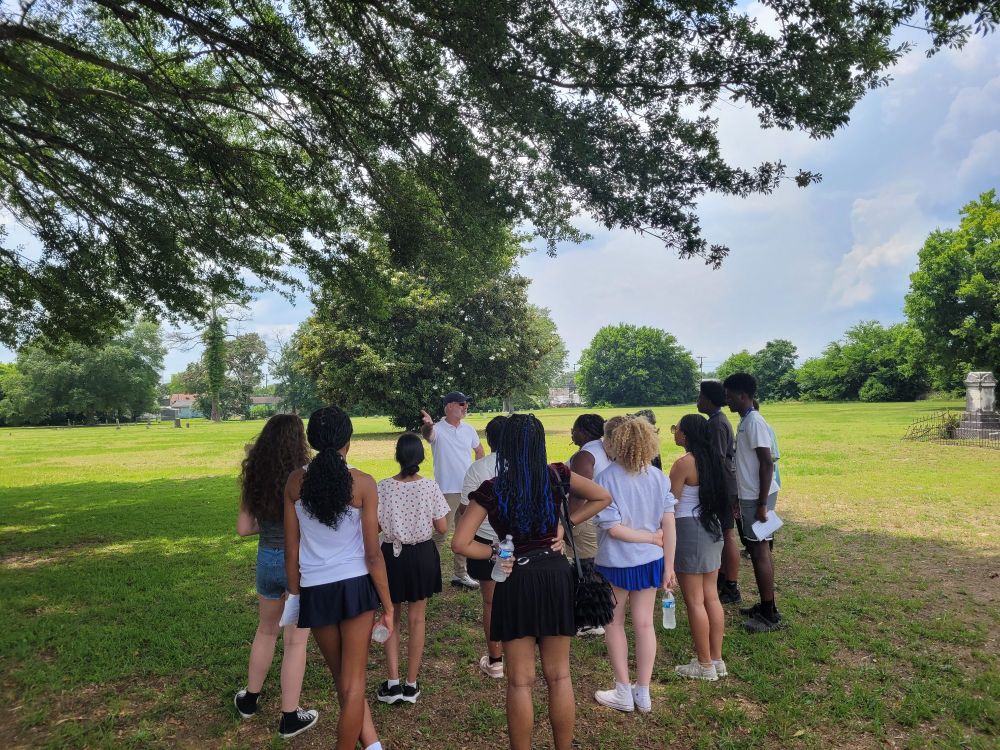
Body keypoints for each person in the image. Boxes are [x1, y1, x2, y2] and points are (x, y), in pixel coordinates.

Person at [452, 414, 613, 750]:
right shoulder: (557, 475)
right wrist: (564, 525)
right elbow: (602, 497)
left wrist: (495, 552)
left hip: (516, 578)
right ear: (540, 444)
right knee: (560, 675)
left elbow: (460, 543)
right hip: (555, 575)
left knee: (520, 682)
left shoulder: (492, 489)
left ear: (506, 446)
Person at [282, 406, 394, 750]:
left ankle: (372, 745)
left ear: (312, 440)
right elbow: (373, 555)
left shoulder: (294, 482)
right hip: (355, 586)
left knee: (342, 678)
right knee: (353, 683)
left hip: (315, 589)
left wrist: (296, 595)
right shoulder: (363, 482)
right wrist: (388, 606)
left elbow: (291, 550)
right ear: (349, 439)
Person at [234, 414, 318, 739]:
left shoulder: (254, 474)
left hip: (267, 559)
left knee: (266, 630)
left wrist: (267, 528)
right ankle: (289, 716)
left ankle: (250, 699)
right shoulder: (305, 477)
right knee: (295, 641)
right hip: (298, 563)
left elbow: (244, 528)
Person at [591, 415, 677, 713]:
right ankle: (643, 692)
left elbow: (614, 529)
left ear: (615, 443)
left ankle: (623, 691)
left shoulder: (606, 478)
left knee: (613, 623)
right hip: (651, 561)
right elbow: (669, 524)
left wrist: (652, 540)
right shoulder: (658, 477)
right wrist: (668, 565)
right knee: (644, 624)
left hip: (616, 562)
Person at [374, 433, 450, 705]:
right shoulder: (430, 486)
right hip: (422, 555)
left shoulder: (383, 487)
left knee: (390, 616)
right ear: (420, 457)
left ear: (397, 456)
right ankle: (411, 683)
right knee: (417, 620)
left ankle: (393, 683)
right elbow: (442, 527)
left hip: (391, 557)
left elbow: (375, 526)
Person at [722, 374, 787, 633]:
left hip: (757, 497)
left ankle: (769, 614)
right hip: (749, 495)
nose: (726, 400)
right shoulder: (745, 420)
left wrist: (761, 503)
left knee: (759, 552)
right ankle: (766, 605)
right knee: (759, 550)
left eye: (729, 396)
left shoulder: (755, 422)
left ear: (742, 395)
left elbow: (767, 463)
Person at [668, 414, 729, 681]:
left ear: (686, 434)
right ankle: (716, 659)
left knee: (694, 601)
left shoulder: (684, 463)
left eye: (677, 429)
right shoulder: (714, 459)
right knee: (711, 597)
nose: (675, 433)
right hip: (712, 526)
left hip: (689, 530)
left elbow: (670, 502)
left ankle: (704, 665)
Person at [420, 391, 485, 589]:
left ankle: (460, 574)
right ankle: (427, 575)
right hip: (447, 490)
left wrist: (478, 476)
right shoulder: (437, 429)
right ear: (450, 406)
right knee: (441, 533)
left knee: (465, 534)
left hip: (468, 489)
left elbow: (479, 451)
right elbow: (428, 435)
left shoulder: (468, 429)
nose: (466, 407)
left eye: (466, 404)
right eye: (462, 404)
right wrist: (427, 425)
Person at [460, 415, 508, 678]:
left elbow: (466, 508)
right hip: (518, 543)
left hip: (485, 543)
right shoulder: (526, 467)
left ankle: (496, 661)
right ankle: (518, 655)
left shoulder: (478, 469)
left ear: (489, 440)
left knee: (490, 602)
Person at [697, 380, 742, 605]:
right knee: (723, 534)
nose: (697, 401)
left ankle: (731, 586)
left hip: (723, 486)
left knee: (727, 533)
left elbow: (717, 460)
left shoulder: (716, 424)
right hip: (724, 485)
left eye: (700, 397)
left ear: (708, 400)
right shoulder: (716, 420)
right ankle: (723, 578)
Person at [566, 413, 611, 637]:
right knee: (591, 566)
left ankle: (589, 621)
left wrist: (569, 522)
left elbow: (578, 492)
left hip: (583, 518)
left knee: (583, 568)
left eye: (574, 429)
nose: (572, 433)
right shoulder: (603, 450)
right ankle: (595, 618)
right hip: (598, 516)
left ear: (583, 431)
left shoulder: (585, 455)